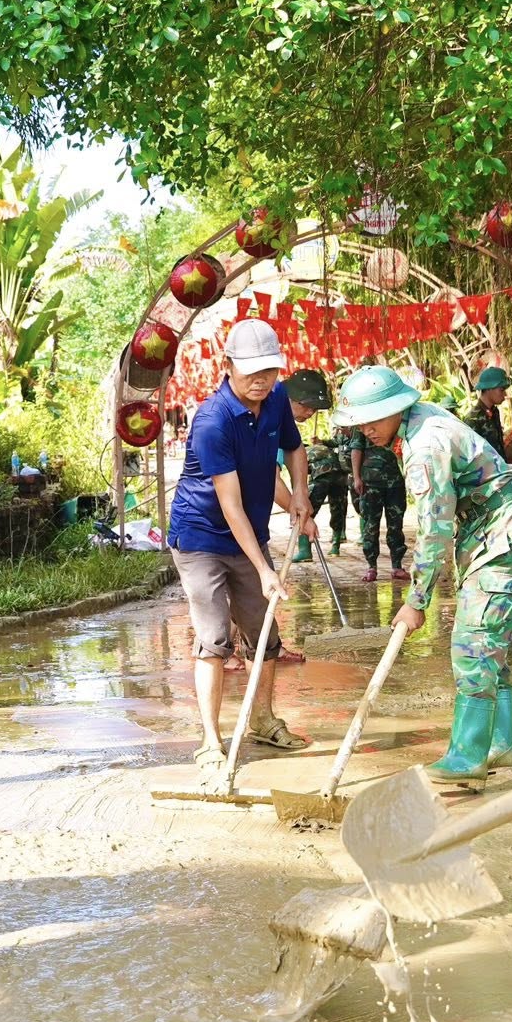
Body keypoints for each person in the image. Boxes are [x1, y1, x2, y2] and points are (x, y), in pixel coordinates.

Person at [334, 364, 512, 780]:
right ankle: (499, 746)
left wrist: (416, 601)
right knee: (489, 645)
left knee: (474, 645)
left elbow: (434, 531)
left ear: (395, 407)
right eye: (359, 422)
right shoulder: (419, 419)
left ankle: (468, 756)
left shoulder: (425, 447)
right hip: (491, 531)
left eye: (372, 419)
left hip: (504, 535)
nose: (366, 430)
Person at [166, 319, 314, 778]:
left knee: (264, 633)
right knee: (214, 638)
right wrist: (264, 569)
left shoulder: (277, 401)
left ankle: (263, 721)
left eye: (269, 370)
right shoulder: (213, 421)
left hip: (250, 533)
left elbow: (293, 450)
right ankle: (211, 740)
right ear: (227, 365)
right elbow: (230, 506)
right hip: (201, 539)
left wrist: (300, 495)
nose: (261, 380)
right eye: (252, 370)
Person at [286, 370, 343, 564]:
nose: (311, 412)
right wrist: (299, 510)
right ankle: (305, 549)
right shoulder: (270, 418)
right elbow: (272, 480)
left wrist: (300, 492)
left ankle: (334, 543)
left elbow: (297, 451)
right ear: (291, 398)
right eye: (307, 406)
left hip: (337, 475)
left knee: (334, 510)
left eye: (315, 408)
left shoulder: (288, 426)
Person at [349, 418, 408, 583]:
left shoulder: (395, 420)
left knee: (396, 525)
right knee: (370, 525)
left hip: (396, 481)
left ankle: (397, 566)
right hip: (370, 482)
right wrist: (356, 477)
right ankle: (371, 566)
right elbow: (356, 449)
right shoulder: (362, 423)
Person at [462, 366, 512, 468]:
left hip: (500, 471)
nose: (504, 394)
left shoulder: (494, 412)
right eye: (502, 390)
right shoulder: (473, 419)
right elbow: (470, 458)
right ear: (489, 389)